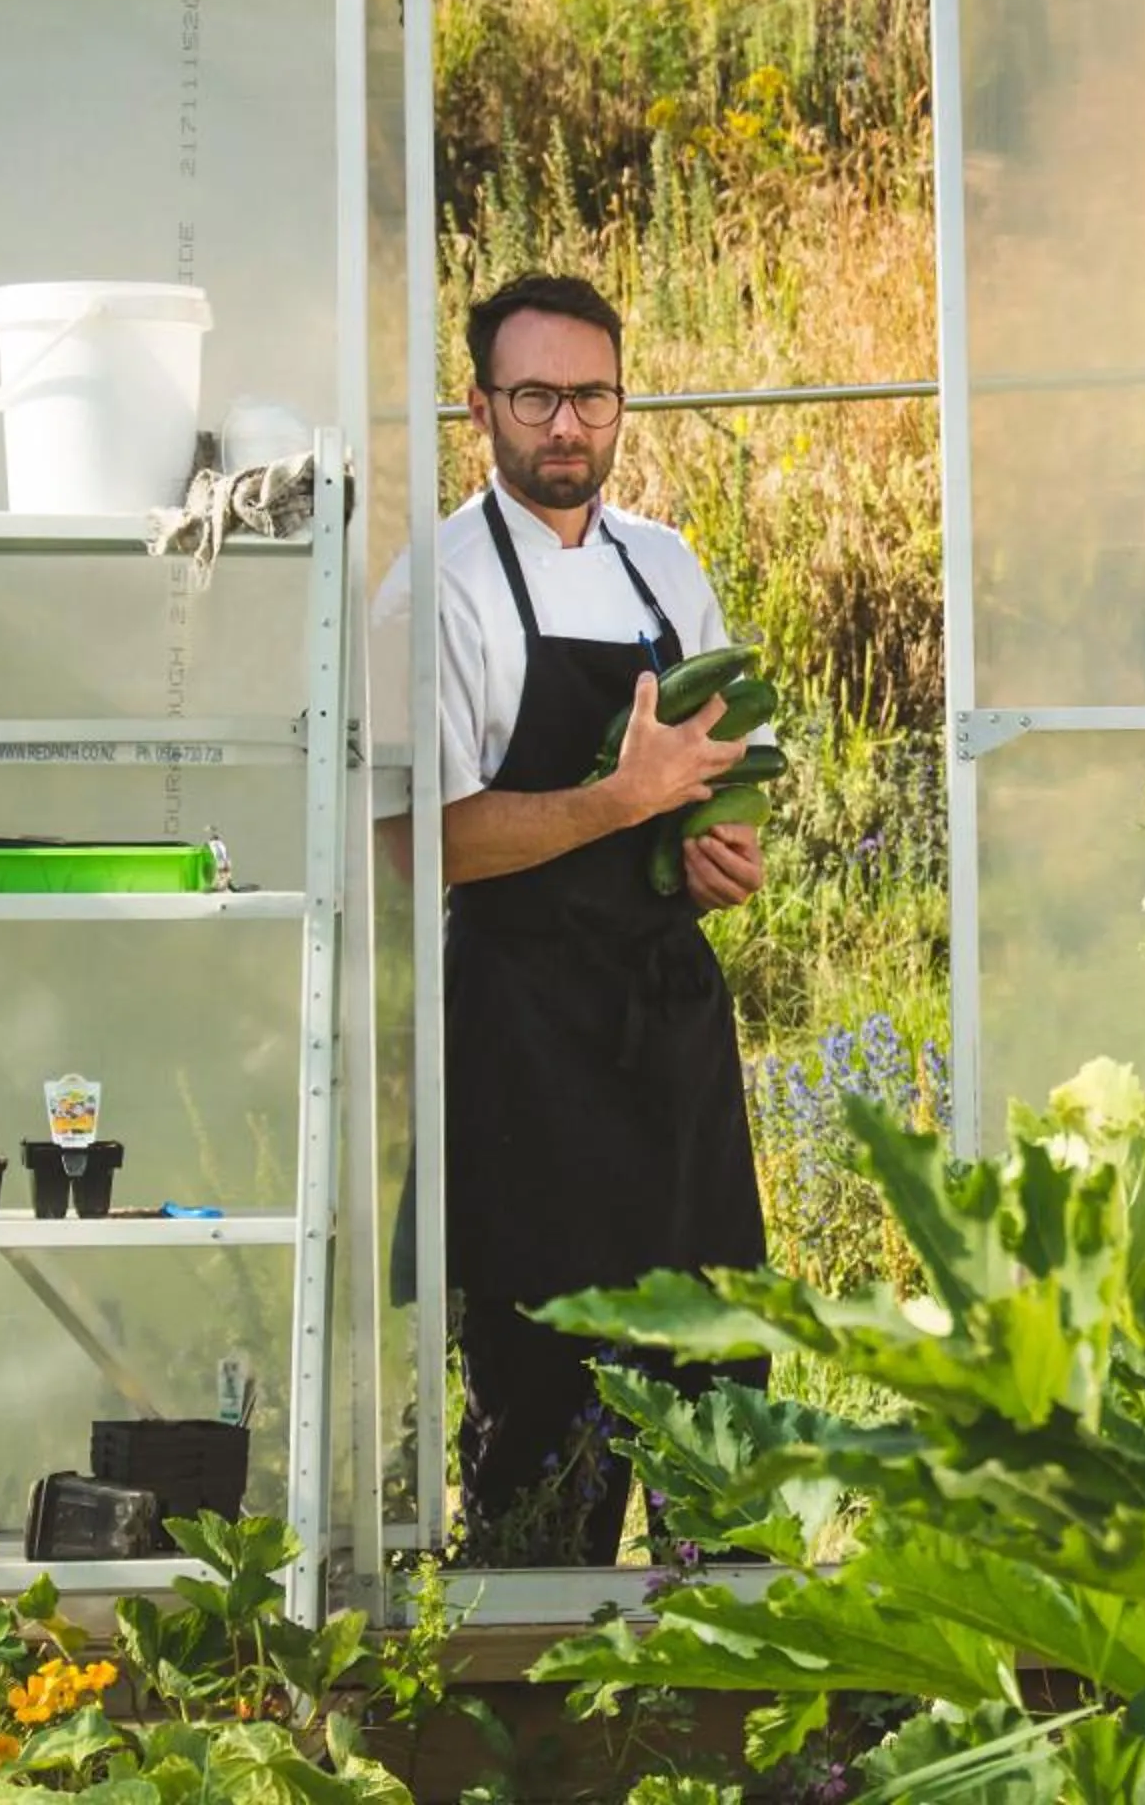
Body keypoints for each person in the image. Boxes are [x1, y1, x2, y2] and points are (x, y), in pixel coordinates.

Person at [373, 272, 771, 1566]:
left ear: (621, 403)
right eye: (535, 395)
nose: (565, 427)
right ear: (480, 405)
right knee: (547, 1397)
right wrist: (620, 800)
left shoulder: (666, 566)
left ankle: (737, 1709)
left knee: (718, 1378)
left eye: (590, 397)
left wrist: (716, 848)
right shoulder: (434, 591)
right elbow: (419, 842)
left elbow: (718, 774)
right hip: (525, 1042)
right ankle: (534, 1708)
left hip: (667, 1028)